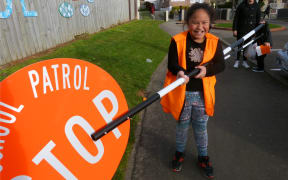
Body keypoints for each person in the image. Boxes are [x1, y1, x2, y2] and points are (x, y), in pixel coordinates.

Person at [160, 3, 225, 179]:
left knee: (201, 128)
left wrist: (207, 70)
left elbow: (221, 64)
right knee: (181, 127)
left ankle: (203, 157)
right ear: (188, 22)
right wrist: (179, 71)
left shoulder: (214, 42)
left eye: (204, 22)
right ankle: (179, 153)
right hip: (183, 95)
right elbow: (172, 64)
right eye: (195, 22)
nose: (199, 27)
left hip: (203, 96)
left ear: (210, 23)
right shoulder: (177, 40)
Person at [232, 0, 261, 68]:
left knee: (247, 46)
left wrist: (256, 31)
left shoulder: (257, 6)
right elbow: (236, 18)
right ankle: (237, 61)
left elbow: (258, 19)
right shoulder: (242, 5)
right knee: (239, 45)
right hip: (241, 29)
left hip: (251, 30)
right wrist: (234, 29)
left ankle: (244, 61)